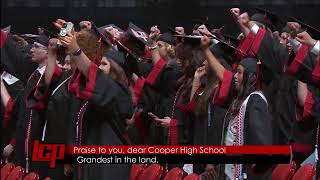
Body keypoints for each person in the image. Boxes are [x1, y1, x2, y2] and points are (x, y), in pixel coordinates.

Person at [201, 34, 273, 179]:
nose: (235, 76)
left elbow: (262, 145)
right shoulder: (240, 100)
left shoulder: (255, 100)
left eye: (239, 73)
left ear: (250, 77)